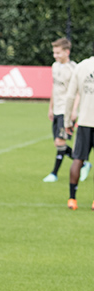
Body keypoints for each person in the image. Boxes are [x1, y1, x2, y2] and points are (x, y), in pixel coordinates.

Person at [45, 38, 83, 183]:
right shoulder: (55, 66)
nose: (55, 55)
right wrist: (50, 107)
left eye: (58, 52)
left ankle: (54, 173)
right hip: (56, 109)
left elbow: (78, 91)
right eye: (54, 52)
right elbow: (55, 88)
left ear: (66, 52)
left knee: (60, 142)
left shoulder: (74, 68)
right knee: (57, 143)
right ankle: (83, 163)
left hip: (67, 111)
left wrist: (74, 110)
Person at [64, 45, 94, 210]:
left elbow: (70, 96)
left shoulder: (81, 66)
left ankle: (72, 199)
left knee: (78, 159)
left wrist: (67, 121)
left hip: (84, 121)